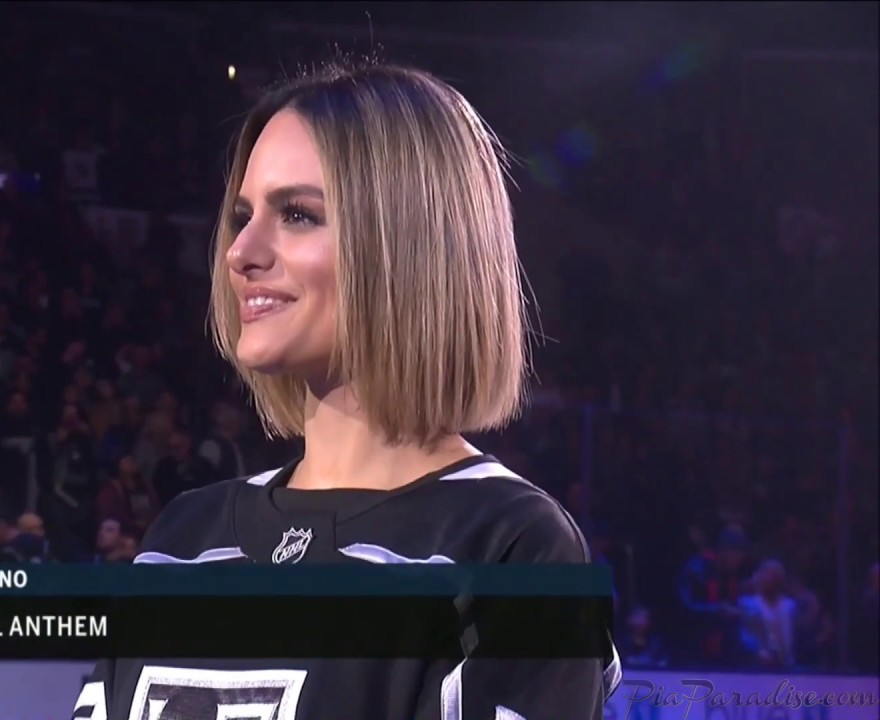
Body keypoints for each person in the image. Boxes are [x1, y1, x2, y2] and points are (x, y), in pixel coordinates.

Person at [74, 59, 619, 720]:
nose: (241, 252)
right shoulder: (181, 539)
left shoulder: (509, 550)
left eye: (297, 214)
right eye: (243, 216)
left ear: (408, 245)